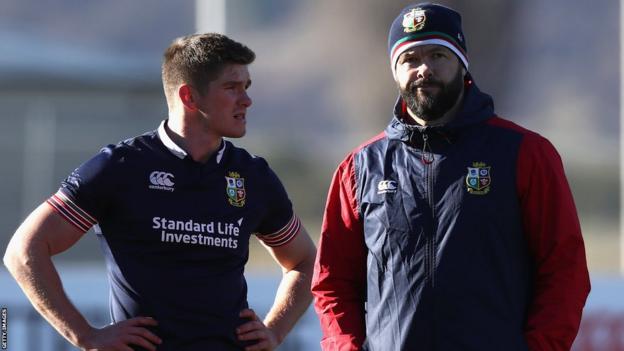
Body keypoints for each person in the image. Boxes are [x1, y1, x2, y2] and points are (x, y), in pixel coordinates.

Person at [3, 33, 317, 351]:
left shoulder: (253, 176)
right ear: (189, 98)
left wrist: (276, 329)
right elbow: (23, 252)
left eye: (246, 88)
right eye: (231, 87)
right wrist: (85, 335)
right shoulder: (120, 166)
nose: (246, 100)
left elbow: (304, 261)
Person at [311, 3, 590, 350]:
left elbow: (565, 270)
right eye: (410, 59)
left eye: (439, 55)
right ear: (395, 71)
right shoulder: (359, 168)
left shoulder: (525, 153)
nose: (424, 69)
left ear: (462, 63)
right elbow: (332, 283)